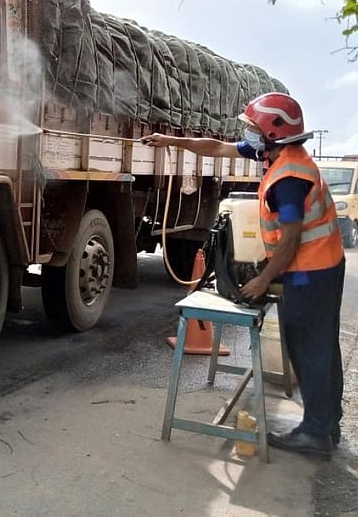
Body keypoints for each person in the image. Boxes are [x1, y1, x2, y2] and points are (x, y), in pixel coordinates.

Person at [141, 92, 346, 459]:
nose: (247, 133)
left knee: (310, 345)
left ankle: (316, 433)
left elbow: (292, 236)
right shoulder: (277, 154)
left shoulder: (289, 177)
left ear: (272, 131)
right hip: (318, 266)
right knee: (321, 344)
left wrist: (264, 280)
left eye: (253, 127)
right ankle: (327, 422)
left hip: (311, 272)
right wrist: (171, 141)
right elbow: (217, 148)